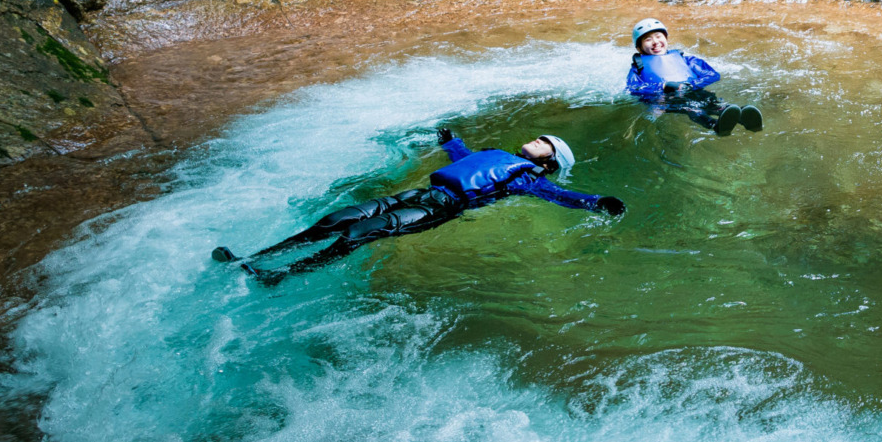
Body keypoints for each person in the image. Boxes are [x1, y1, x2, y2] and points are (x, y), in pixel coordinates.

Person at [212, 130, 624, 281]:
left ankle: (282, 274)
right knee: (335, 220)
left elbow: (561, 196)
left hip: (438, 209)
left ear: (548, 161)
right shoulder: (500, 154)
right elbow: (463, 161)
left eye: (544, 142)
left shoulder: (528, 178)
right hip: (417, 196)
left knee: (357, 233)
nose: (537, 139)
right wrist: (449, 140)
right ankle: (254, 258)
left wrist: (596, 203)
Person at [626, 18, 762, 136]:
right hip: (665, 100)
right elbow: (633, 88)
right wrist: (663, 86)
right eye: (648, 39)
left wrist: (692, 85)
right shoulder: (638, 67)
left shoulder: (686, 60)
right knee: (692, 108)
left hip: (692, 90)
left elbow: (712, 74)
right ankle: (714, 126)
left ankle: (739, 116)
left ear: (666, 39)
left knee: (713, 102)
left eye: (658, 36)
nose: (655, 42)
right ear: (639, 48)